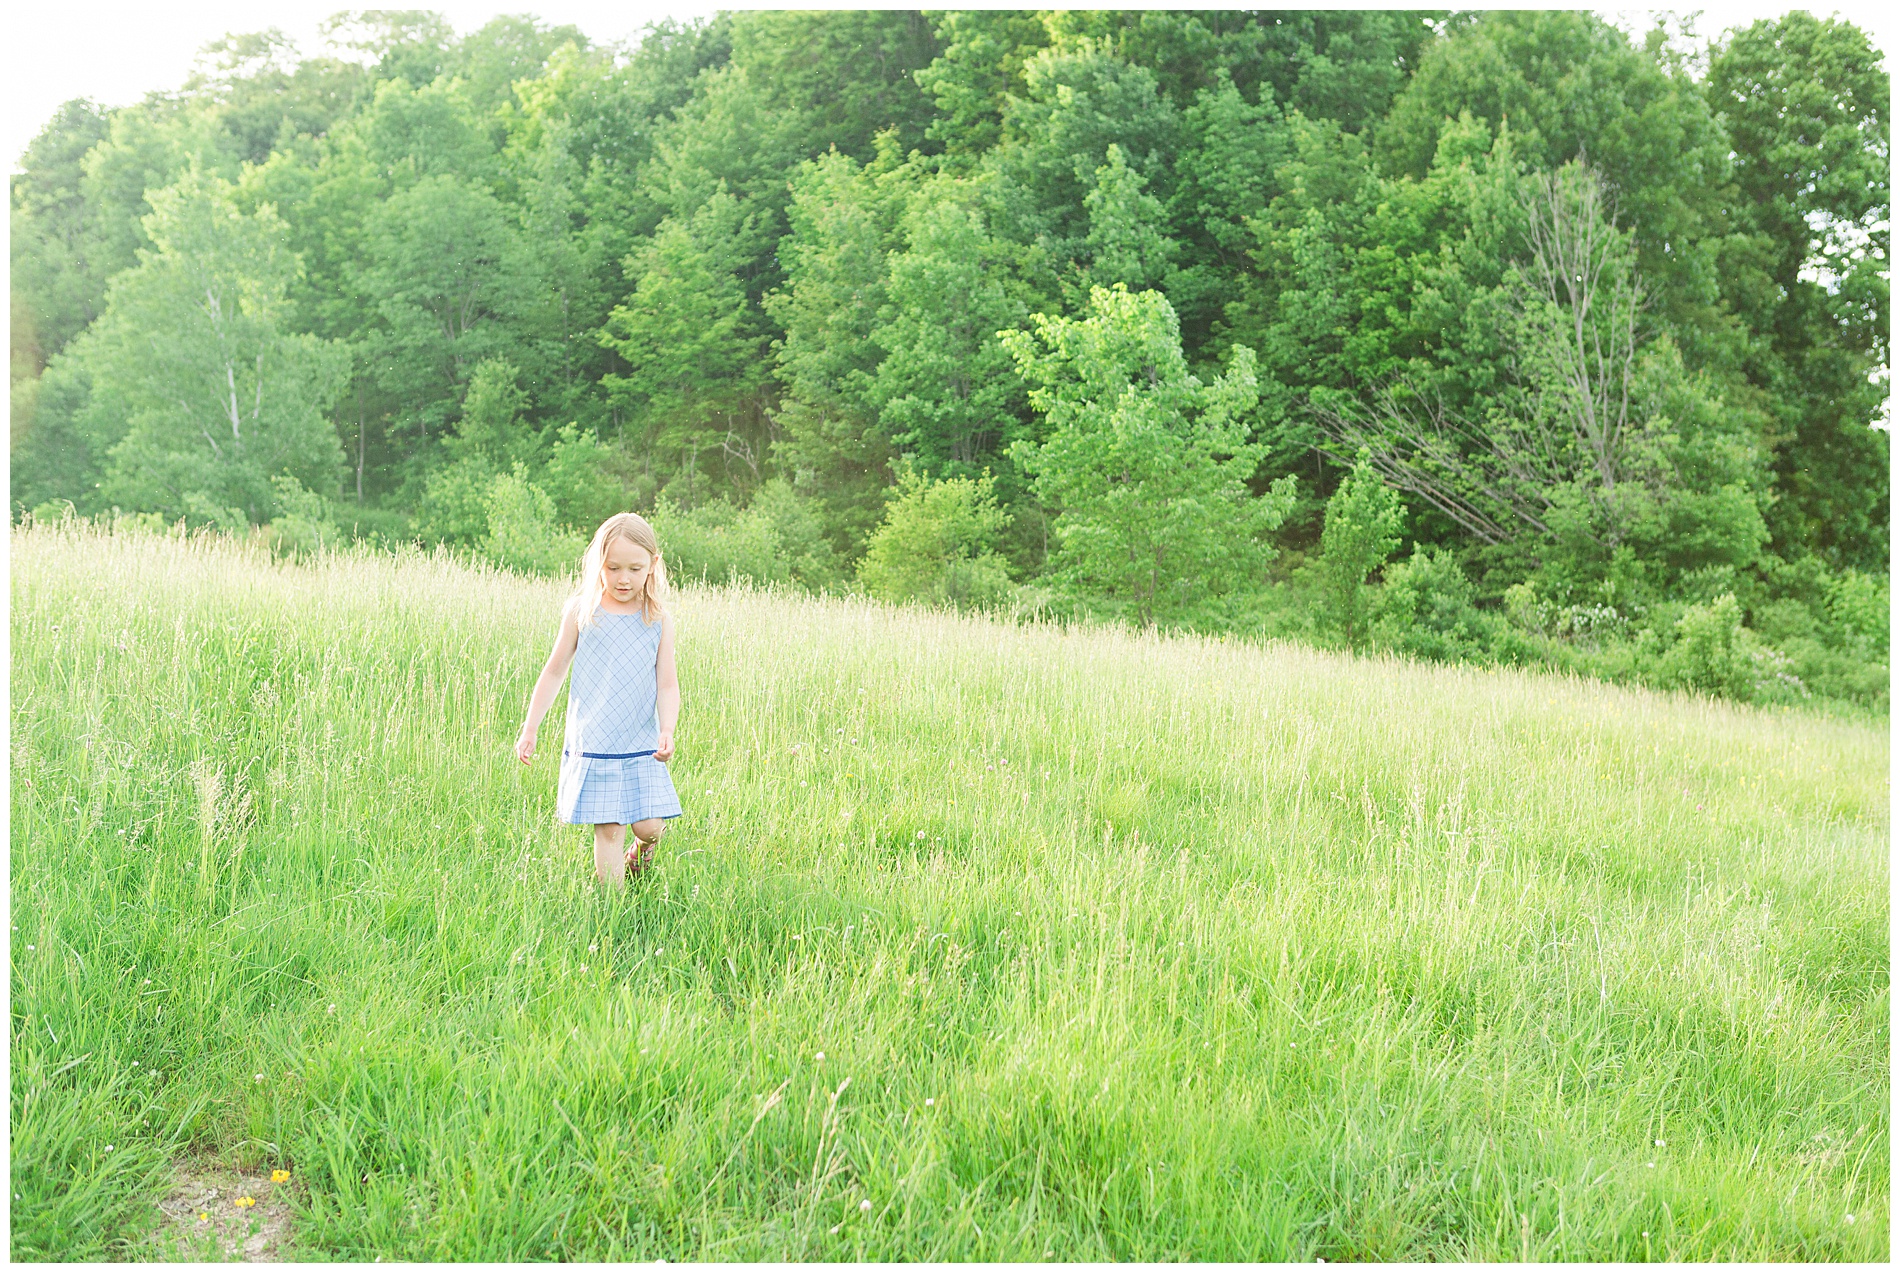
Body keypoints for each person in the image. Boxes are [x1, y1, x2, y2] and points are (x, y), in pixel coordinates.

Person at [515, 512, 681, 887]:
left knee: (650, 826)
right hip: (596, 741)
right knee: (609, 831)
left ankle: (640, 853)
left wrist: (667, 729)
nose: (624, 578)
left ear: (653, 565)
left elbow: (667, 684)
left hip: (642, 741)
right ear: (598, 564)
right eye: (613, 567)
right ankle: (614, 915)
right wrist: (531, 727)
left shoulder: (657, 618)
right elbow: (554, 671)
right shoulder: (581, 611)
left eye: (635, 569)